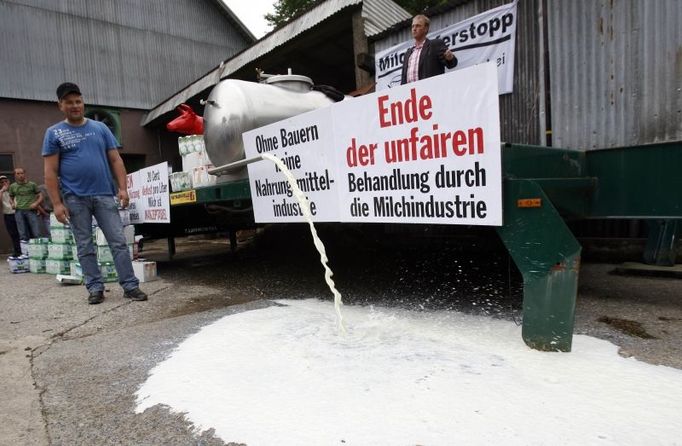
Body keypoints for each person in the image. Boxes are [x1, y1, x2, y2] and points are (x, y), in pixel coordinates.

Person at [42, 82, 147, 305]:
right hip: (74, 198)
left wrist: (123, 188)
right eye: (69, 102)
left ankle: (130, 285)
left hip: (104, 195)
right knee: (85, 246)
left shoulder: (101, 129)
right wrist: (57, 204)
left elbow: (116, 159)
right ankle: (95, 288)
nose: (74, 106)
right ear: (60, 105)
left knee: (118, 242)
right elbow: (50, 172)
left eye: (78, 101)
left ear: (83, 103)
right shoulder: (54, 133)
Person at [400, 14, 457, 85]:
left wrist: (450, 58)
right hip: (412, 95)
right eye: (413, 26)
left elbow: (452, 64)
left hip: (430, 92)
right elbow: (403, 81)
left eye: (418, 26)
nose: (414, 29)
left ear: (426, 28)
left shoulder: (435, 45)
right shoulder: (408, 54)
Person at [8, 167, 43, 241]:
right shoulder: (12, 186)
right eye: (18, 173)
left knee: (36, 232)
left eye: (22, 173)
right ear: (15, 175)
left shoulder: (32, 184)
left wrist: (36, 203)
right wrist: (12, 204)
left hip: (31, 210)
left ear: (24, 174)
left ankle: (39, 251)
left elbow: (41, 196)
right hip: (19, 211)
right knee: (22, 234)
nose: (20, 175)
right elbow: (10, 198)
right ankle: (25, 252)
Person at [1, 175, 22, 257]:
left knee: (22, 232)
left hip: (18, 213)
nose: (4, 183)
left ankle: (25, 250)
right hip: (8, 215)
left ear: (9, 182)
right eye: (2, 182)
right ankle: (17, 251)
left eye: (5, 181)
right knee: (13, 234)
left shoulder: (14, 189)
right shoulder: (1, 192)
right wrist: (2, 191)